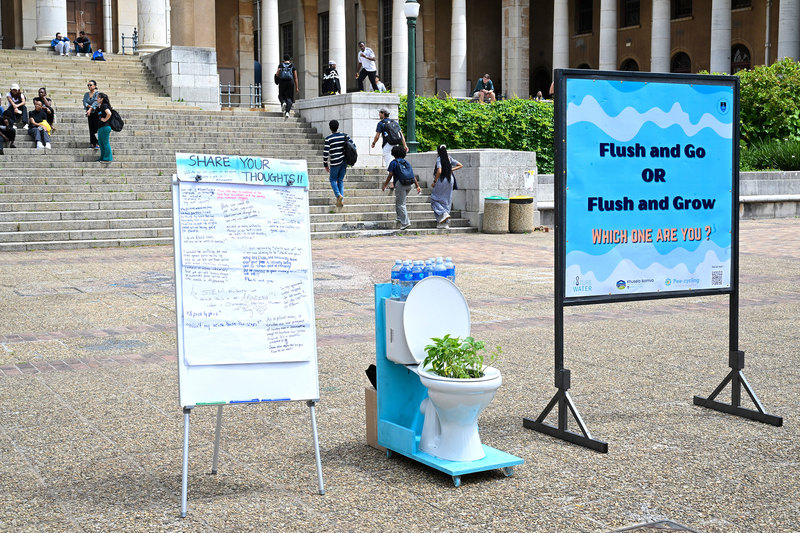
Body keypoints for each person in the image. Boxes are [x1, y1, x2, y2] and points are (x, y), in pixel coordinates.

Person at [381, 145, 420, 230]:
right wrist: (418, 186)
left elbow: (390, 174)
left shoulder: (393, 162)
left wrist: (385, 184)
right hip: (409, 184)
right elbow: (413, 176)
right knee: (399, 201)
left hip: (400, 184)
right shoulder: (406, 162)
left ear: (393, 153)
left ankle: (405, 222)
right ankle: (399, 217)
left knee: (401, 204)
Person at [431, 144, 463, 228]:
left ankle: (443, 213)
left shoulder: (439, 159)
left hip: (442, 180)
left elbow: (439, 171)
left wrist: (434, 181)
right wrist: (450, 169)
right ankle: (445, 223)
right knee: (447, 200)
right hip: (450, 180)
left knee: (435, 198)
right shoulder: (449, 158)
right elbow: (460, 165)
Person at [323, 120, 348, 208]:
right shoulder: (345, 136)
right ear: (338, 126)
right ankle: (341, 200)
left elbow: (326, 153)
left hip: (335, 162)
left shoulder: (329, 138)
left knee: (332, 179)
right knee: (340, 180)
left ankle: (338, 195)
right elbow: (353, 146)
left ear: (330, 128)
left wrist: (325, 164)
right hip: (344, 161)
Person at [95, 92, 113, 162]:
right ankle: (102, 157)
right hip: (101, 127)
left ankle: (107, 158)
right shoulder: (100, 106)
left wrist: (105, 119)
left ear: (102, 99)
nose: (97, 99)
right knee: (101, 143)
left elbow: (109, 113)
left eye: (98, 97)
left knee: (105, 143)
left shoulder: (104, 106)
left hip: (105, 126)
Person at [83, 80, 99, 149]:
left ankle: (98, 143)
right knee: (91, 128)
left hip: (96, 113)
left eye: (90, 85)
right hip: (89, 113)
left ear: (94, 86)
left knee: (96, 128)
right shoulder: (86, 94)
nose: (89, 86)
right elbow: (84, 102)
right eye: (88, 85)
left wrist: (91, 108)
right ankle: (92, 143)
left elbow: (96, 102)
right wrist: (89, 107)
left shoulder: (97, 93)